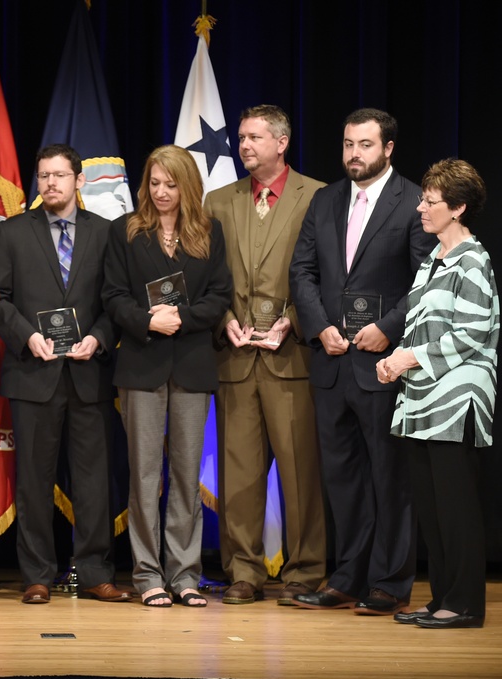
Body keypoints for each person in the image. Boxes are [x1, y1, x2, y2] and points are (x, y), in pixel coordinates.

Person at [289, 108, 436, 615]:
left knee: (389, 478)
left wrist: (387, 329)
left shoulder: (414, 201)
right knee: (343, 480)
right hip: (330, 364)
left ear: (388, 148)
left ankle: (391, 583)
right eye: (349, 144)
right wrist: (320, 325)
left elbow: (425, 282)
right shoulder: (325, 199)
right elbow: (302, 271)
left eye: (365, 145)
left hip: (382, 366)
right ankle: (346, 578)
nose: (354, 153)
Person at [0, 143, 130, 605]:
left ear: (78, 181)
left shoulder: (108, 233)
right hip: (33, 372)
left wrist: (99, 338)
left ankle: (93, 573)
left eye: (59, 176)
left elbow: (116, 302)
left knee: (94, 483)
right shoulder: (11, 233)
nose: (50, 184)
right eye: (43, 176)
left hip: (89, 375)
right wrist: (26, 336)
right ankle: (37, 576)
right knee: (33, 481)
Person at [203, 105, 326, 606]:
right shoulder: (218, 200)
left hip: (291, 357)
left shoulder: (317, 196)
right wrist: (220, 319)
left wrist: (294, 320)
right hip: (235, 359)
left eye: (255, 137)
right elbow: (203, 277)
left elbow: (328, 274)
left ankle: (304, 572)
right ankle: (243, 571)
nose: (244, 145)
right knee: (239, 475)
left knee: (300, 474)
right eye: (241, 137)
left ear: (282, 142)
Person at [103, 145, 232, 607]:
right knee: (144, 475)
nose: (161, 192)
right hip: (141, 365)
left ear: (188, 186)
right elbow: (113, 296)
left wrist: (184, 318)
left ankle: (185, 574)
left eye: (170, 184)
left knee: (185, 475)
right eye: (154, 183)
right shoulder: (127, 233)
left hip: (193, 366)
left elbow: (220, 296)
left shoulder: (209, 233)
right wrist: (147, 321)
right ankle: (147, 575)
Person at [377, 159, 497, 629]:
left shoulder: (473, 259)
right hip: (423, 402)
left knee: (456, 508)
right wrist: (397, 357)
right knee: (431, 506)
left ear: (458, 207)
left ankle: (465, 604)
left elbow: (471, 332)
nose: (421, 206)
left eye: (431, 200)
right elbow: (421, 325)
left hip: (456, 402)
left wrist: (409, 358)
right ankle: (442, 597)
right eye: (423, 197)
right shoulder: (434, 259)